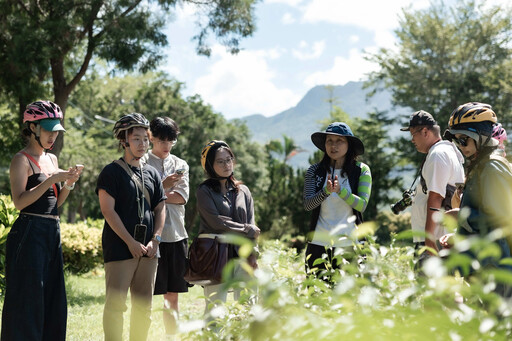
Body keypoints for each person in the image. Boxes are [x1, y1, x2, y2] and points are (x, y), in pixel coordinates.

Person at [1, 100, 82, 340]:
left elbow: (54, 205)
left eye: (56, 130)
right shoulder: (21, 160)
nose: (53, 136)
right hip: (28, 233)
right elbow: (20, 202)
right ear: (33, 128)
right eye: (48, 129)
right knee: (28, 299)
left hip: (50, 230)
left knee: (53, 297)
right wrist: (49, 180)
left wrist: (68, 181)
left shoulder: (52, 160)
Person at [96, 113, 166, 341]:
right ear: (123, 140)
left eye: (145, 139)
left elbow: (160, 209)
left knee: (144, 307)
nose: (142, 144)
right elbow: (108, 211)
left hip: (149, 250)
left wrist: (155, 240)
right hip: (120, 248)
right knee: (116, 306)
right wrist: (130, 242)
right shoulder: (111, 172)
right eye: (136, 139)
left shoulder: (153, 173)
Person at [440, 102, 512, 297]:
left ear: (480, 137)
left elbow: (500, 222)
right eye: (457, 141)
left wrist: (462, 228)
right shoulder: (481, 166)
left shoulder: (491, 168)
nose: (460, 146)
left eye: (464, 140)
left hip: (496, 267)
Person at [196, 140, 260, 320]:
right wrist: (246, 229)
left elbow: (251, 222)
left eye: (229, 159)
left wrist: (253, 252)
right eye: (220, 161)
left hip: (243, 255)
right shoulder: (204, 190)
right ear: (210, 165)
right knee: (215, 310)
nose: (226, 164)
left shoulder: (244, 191)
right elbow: (216, 222)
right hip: (216, 256)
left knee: (249, 306)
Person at [304, 122, 372, 280]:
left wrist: (341, 192)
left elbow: (362, 205)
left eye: (339, 141)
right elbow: (308, 205)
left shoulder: (362, 170)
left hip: (351, 245)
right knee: (316, 297)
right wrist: (325, 192)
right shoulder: (314, 171)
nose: (333, 146)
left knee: (350, 299)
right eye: (329, 141)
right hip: (318, 244)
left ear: (349, 145)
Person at [144, 117, 189, 339]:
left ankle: (172, 337)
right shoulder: (141, 162)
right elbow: (138, 198)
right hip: (149, 237)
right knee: (145, 294)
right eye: (162, 140)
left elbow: (181, 197)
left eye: (171, 140)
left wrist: (156, 192)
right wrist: (163, 187)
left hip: (177, 235)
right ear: (150, 136)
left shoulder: (181, 164)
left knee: (172, 296)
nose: (166, 145)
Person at [400, 110, 465, 253]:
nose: (412, 140)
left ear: (424, 132)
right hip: (444, 236)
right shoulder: (447, 150)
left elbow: (436, 197)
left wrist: (429, 239)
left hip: (435, 239)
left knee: (427, 275)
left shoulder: (437, 155)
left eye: (413, 134)